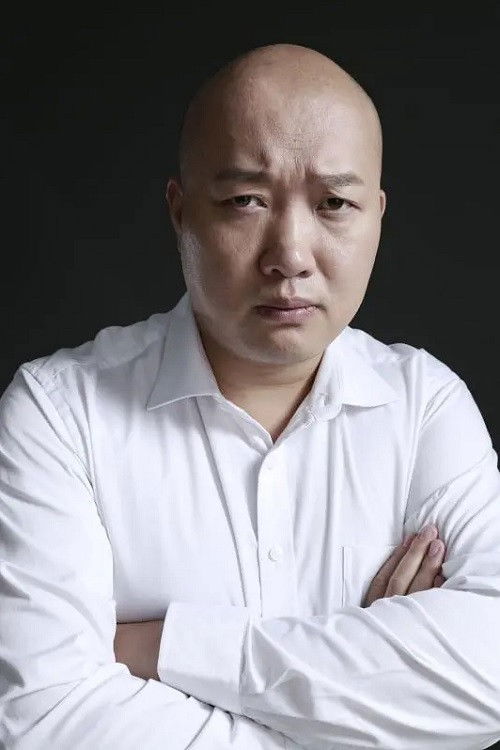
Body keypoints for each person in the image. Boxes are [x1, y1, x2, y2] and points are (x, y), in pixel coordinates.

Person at [0, 43, 499, 750]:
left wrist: (166, 648)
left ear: (378, 216)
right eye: (246, 201)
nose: (290, 254)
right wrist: (375, 711)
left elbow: (491, 676)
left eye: (334, 204)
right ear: (181, 212)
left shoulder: (425, 406)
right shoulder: (58, 415)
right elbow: (45, 719)